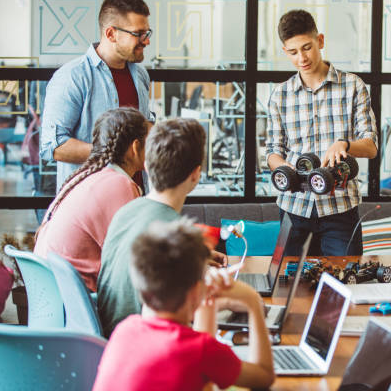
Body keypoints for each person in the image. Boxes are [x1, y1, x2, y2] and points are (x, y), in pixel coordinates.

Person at [92, 219, 275, 391]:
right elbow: (264, 377)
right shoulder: (200, 350)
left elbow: (202, 373)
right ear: (196, 289)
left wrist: (206, 298)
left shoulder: (124, 330)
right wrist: (251, 301)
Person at [97, 118, 227, 337]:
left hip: (113, 340)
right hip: (146, 344)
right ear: (195, 175)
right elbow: (194, 312)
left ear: (146, 166)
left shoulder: (126, 212)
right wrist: (244, 302)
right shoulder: (174, 232)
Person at [265, 9, 378, 257]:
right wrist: (285, 168)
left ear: (321, 41)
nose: (301, 58)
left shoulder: (353, 86)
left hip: (340, 211)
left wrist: (344, 144)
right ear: (285, 51)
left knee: (343, 284)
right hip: (293, 209)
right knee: (289, 285)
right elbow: (272, 151)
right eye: (293, 52)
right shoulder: (279, 96)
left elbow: (370, 147)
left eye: (307, 48)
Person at [40, 0, 152, 191]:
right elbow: (53, 147)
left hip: (136, 200)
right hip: (91, 203)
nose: (146, 41)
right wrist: (115, 154)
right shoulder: (73, 77)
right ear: (111, 34)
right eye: (138, 34)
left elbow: (143, 131)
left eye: (147, 33)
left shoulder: (140, 75)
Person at [34, 108, 150, 292]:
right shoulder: (119, 184)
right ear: (135, 148)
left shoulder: (89, 177)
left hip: (54, 295)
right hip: (78, 300)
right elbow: (136, 257)